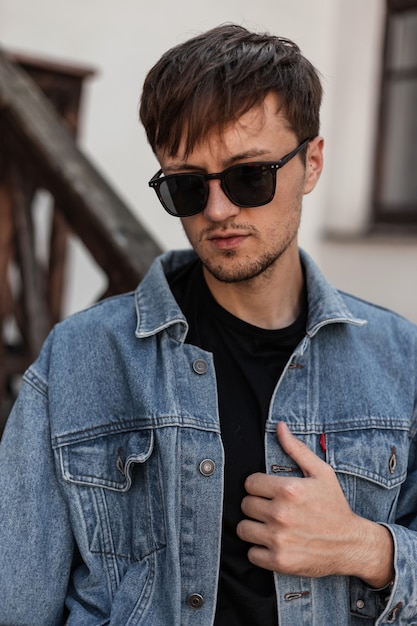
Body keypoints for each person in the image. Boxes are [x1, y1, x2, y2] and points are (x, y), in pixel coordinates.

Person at [0, 23, 416, 626]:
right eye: (188, 187)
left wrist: (364, 548)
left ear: (313, 162)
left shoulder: (400, 362)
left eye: (251, 176)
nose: (218, 211)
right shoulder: (79, 360)